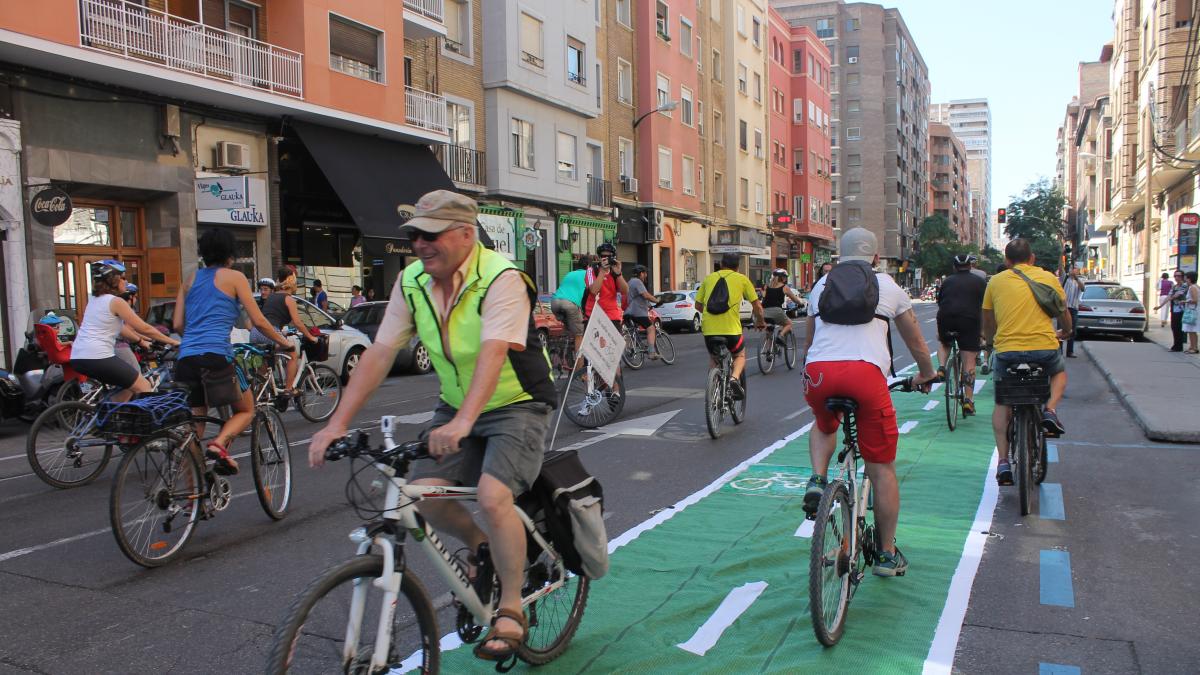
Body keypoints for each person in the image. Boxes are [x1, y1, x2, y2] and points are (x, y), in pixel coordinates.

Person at [308, 190, 556, 666]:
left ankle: (510, 606)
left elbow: (493, 352)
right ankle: (483, 548)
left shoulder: (501, 279)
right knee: (421, 492)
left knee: (492, 496)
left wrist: (466, 420)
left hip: (517, 403)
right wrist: (335, 423)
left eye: (432, 234)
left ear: (466, 234)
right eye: (415, 235)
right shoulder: (412, 281)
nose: (420, 244)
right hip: (457, 404)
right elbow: (380, 353)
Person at [802, 228, 937, 577]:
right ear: (876, 258)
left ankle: (817, 480)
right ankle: (886, 554)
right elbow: (917, 342)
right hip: (865, 377)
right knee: (880, 468)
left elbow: (810, 341)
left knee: (823, 423)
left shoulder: (820, 286)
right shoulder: (888, 287)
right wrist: (926, 373)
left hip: (818, 374)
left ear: (839, 255)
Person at [174, 230, 293, 475]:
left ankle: (192, 497)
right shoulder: (235, 277)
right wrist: (284, 342)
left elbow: (177, 325)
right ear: (231, 255)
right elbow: (258, 320)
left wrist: (195, 341)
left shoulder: (189, 279)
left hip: (185, 358)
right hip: (216, 356)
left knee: (194, 428)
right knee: (246, 410)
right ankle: (219, 444)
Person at [982, 238, 1071, 486]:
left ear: (1007, 261)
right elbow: (1063, 311)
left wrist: (990, 344)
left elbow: (988, 320)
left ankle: (1003, 462)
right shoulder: (1049, 278)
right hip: (1044, 349)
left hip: (1007, 352)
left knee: (1002, 403)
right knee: (1059, 373)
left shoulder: (996, 282)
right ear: (1032, 258)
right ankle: (1050, 410)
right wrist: (1066, 331)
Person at [70, 261, 178, 403]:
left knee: (128, 385)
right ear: (113, 280)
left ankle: (109, 418)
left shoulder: (94, 301)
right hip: (98, 357)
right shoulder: (116, 302)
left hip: (79, 357)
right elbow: (143, 328)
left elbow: (122, 329)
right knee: (144, 386)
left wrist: (141, 341)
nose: (125, 281)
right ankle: (118, 422)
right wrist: (173, 341)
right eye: (123, 277)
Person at [695, 253, 765, 400]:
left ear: (721, 264)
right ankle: (733, 379)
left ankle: (713, 391)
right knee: (739, 355)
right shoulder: (742, 279)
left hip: (709, 329)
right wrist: (760, 321)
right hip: (731, 330)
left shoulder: (708, 278)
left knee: (714, 359)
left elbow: (698, 305)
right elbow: (757, 306)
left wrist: (712, 315)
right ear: (737, 267)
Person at [252, 267, 319, 396]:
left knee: (264, 368)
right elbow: (298, 322)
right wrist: (311, 337)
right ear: (291, 281)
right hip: (270, 333)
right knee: (292, 353)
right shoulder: (289, 299)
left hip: (255, 333)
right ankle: (289, 389)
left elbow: (272, 316)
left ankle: (260, 396)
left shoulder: (271, 297)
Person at [935, 254, 988, 415]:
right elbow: (985, 307)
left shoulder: (947, 282)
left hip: (946, 318)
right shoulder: (979, 282)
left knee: (945, 343)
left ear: (954, 267)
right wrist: (983, 332)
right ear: (970, 266)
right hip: (969, 321)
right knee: (969, 360)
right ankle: (968, 400)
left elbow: (940, 301)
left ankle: (942, 368)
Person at [584, 242, 628, 332]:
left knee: (616, 345)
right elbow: (593, 291)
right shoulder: (591, 270)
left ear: (613, 258)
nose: (606, 259)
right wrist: (602, 271)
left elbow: (625, 291)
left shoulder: (614, 272)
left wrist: (619, 274)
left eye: (609, 257)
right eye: (603, 256)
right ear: (599, 257)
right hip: (593, 314)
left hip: (612, 315)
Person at [551, 257, 588, 360]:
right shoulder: (588, 275)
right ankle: (580, 372)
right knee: (579, 335)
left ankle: (563, 356)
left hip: (555, 301)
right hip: (569, 303)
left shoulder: (569, 274)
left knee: (569, 329)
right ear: (588, 267)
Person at [624, 264, 660, 358]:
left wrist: (648, 305)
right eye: (645, 273)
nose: (646, 275)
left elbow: (638, 298)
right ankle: (652, 352)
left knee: (632, 333)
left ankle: (630, 354)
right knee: (651, 328)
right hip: (637, 312)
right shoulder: (637, 282)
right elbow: (646, 295)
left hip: (627, 312)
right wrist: (657, 301)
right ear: (641, 273)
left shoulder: (630, 282)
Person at [762, 269, 804, 339]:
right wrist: (800, 303)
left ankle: (768, 349)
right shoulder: (784, 287)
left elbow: (764, 298)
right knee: (789, 323)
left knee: (769, 331)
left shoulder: (766, 286)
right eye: (785, 277)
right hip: (777, 311)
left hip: (764, 311)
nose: (786, 278)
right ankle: (780, 335)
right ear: (782, 277)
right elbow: (794, 299)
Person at [1156, 270, 1189, 351]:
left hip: (1182, 309)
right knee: (1174, 326)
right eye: (1175, 276)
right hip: (1174, 309)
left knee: (1179, 327)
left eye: (1179, 276)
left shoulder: (1185, 286)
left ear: (1183, 277)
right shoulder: (1174, 286)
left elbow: (1176, 295)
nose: (1177, 278)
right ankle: (1176, 345)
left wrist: (1171, 298)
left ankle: (1178, 346)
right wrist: (1160, 306)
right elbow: (1169, 296)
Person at [1062, 266, 1085, 358]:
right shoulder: (1065, 278)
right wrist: (1061, 254)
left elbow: (1083, 289)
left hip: (1074, 309)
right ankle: (1059, 351)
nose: (1074, 270)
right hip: (1064, 308)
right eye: (1072, 268)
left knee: (1072, 331)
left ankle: (1070, 352)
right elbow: (1060, 267)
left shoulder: (1079, 281)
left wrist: (1076, 278)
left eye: (1076, 269)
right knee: (1062, 330)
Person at [1185, 271, 1200, 353]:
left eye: (1186, 278)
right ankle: (1193, 346)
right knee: (1191, 330)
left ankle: (1194, 347)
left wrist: (1185, 301)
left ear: (1190, 279)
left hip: (1192, 311)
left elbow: (1195, 300)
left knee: (1191, 329)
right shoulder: (1197, 286)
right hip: (1195, 310)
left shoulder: (1192, 287)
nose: (1186, 280)